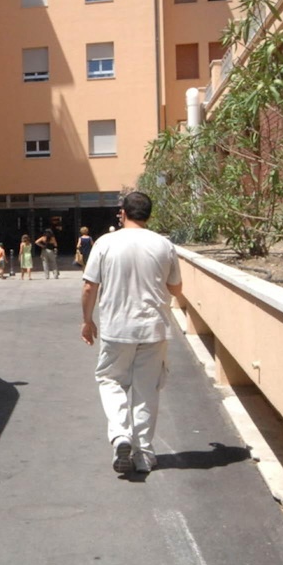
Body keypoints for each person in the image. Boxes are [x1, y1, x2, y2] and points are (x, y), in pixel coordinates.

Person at [79, 191, 182, 476]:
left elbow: (89, 287)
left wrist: (87, 321)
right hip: (153, 328)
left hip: (116, 328)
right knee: (146, 389)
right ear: (148, 214)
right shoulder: (164, 245)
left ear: (122, 213)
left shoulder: (105, 243)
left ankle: (121, 434)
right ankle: (144, 455)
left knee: (110, 380)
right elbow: (176, 288)